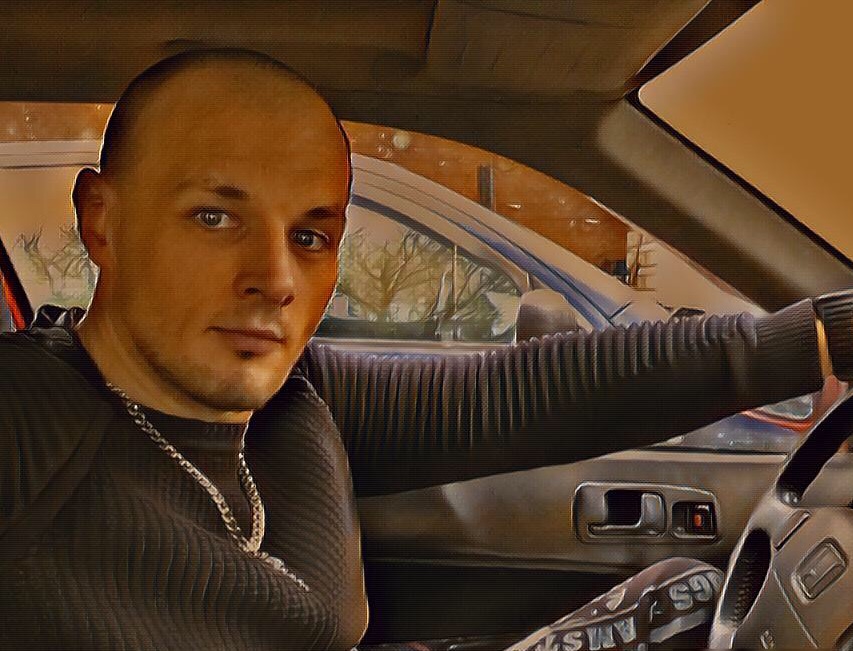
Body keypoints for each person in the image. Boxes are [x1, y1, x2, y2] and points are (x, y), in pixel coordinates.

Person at [1, 48, 851, 651]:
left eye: (309, 235)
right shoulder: (29, 417)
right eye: (215, 217)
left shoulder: (298, 398)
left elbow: (525, 395)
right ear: (102, 220)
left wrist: (820, 334)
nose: (276, 279)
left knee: (684, 590)